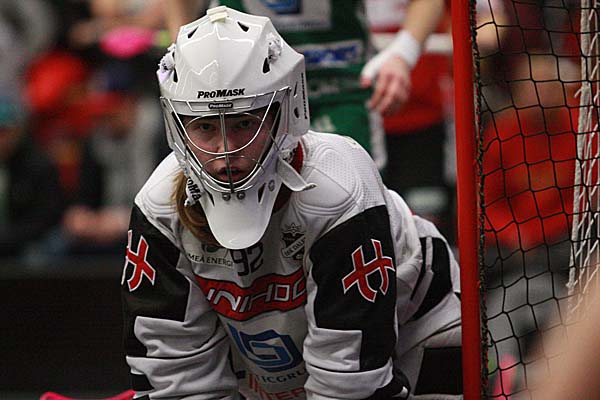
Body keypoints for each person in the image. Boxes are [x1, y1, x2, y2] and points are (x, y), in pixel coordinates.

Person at [121, 7, 462, 399]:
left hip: (415, 338)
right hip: (270, 365)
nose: (226, 152)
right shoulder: (159, 209)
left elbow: (349, 386)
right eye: (205, 126)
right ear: (176, 126)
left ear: (286, 114)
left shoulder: (338, 190)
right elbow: (175, 378)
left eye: (244, 123)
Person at [162, 0, 446, 170]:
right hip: (246, 96)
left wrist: (402, 54)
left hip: (339, 89)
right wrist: (183, 48)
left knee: (348, 196)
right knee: (239, 192)